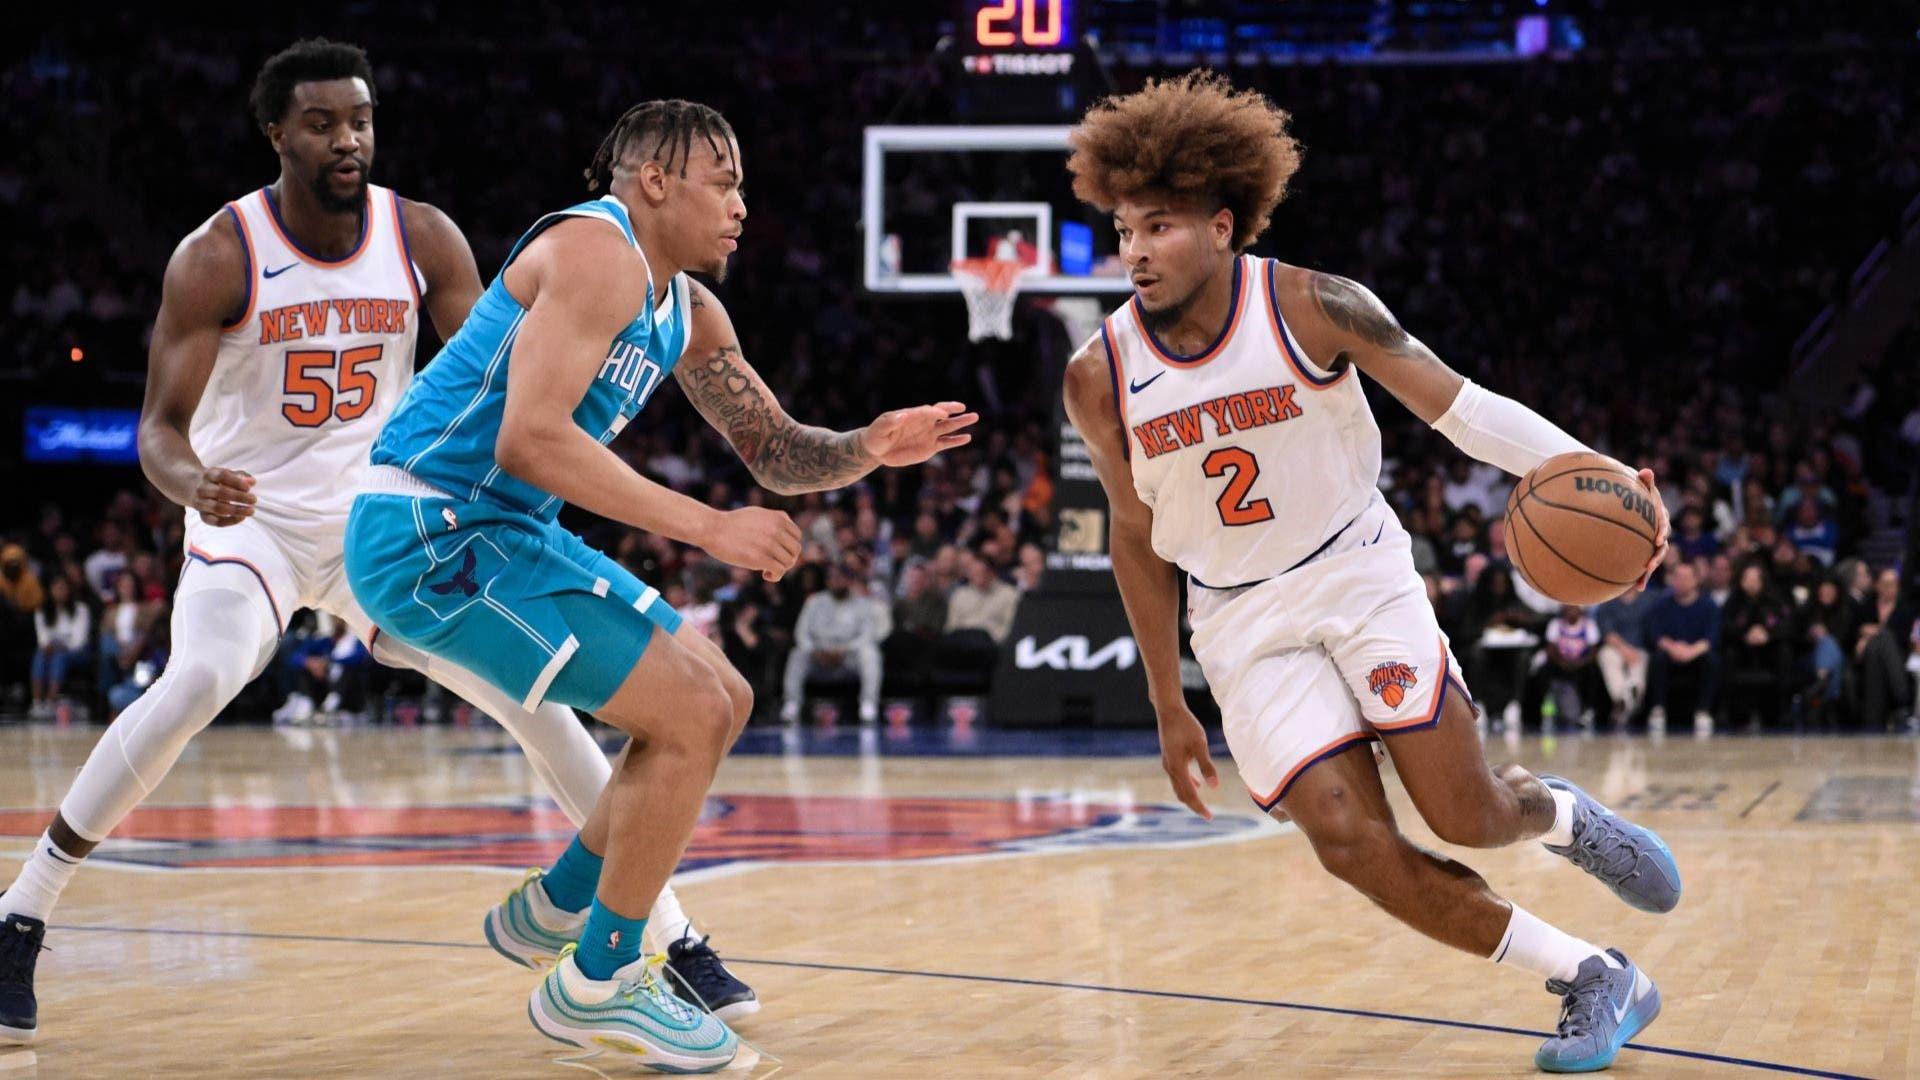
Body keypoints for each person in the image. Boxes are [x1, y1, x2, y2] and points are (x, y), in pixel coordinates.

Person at [0, 42, 748, 1047]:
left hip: (384, 524)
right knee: (198, 680)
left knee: (539, 703)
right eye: (321, 123)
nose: (346, 138)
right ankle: (24, 910)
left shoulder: (423, 238)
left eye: (359, 120)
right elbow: (158, 431)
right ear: (277, 134)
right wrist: (191, 486)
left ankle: (667, 935)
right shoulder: (219, 253)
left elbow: (493, 380)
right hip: (252, 519)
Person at [1059, 72, 1676, 1072]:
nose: (1134, 251)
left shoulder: (1314, 304)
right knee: (1349, 845)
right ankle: (1592, 975)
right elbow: (1134, 536)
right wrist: (1167, 701)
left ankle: (1559, 812)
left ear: (1223, 225)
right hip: (1235, 619)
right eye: (1124, 229)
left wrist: (1603, 479)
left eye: (1159, 226)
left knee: (1466, 815)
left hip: (1357, 574)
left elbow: (1465, 410)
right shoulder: (1098, 373)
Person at [344, 98, 972, 1061]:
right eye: (723, 183)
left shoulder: (688, 307)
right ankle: (597, 981)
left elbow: (775, 448)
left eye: (743, 187)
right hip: (431, 529)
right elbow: (531, 437)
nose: (740, 206)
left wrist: (868, 448)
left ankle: (557, 906)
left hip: (499, 530)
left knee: (721, 698)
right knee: (683, 710)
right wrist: (709, 527)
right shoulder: (597, 253)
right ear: (653, 182)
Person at [781, 563, 887, 724]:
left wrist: (843, 650)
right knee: (797, 654)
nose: (836, 582)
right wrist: (815, 650)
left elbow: (867, 635)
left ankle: (868, 705)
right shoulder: (814, 602)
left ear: (849, 581)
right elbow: (801, 633)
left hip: (848, 659)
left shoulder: (863, 604)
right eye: (832, 578)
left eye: (840, 578)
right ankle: (792, 705)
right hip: (819, 657)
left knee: (870, 654)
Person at [1644, 562, 1721, 732]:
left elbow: (1711, 638)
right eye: (1677, 577)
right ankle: (1658, 710)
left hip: (1696, 654)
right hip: (1670, 654)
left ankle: (1703, 711)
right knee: (1657, 659)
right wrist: (1673, 648)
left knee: (1712, 660)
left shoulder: (1709, 606)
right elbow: (1655, 635)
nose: (1680, 581)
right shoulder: (1661, 605)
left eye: (1686, 578)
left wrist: (1690, 651)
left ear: (1696, 580)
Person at [1719, 563, 1792, 729]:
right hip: (1742, 649)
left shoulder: (1775, 598)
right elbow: (1726, 626)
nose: (1750, 583)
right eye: (1746, 578)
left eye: (1754, 579)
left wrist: (1768, 634)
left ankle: (1783, 709)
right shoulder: (1734, 599)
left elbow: (1788, 624)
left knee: (1784, 652)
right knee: (1728, 654)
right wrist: (1745, 634)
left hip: (1770, 649)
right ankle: (1727, 709)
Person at [1594, 581, 1660, 725]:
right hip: (1616, 648)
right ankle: (1623, 697)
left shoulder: (1650, 599)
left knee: (1640, 662)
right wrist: (1624, 650)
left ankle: (1625, 702)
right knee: (1606, 655)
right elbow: (1607, 633)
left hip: (1640, 649)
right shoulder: (1607, 599)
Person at [30, 576, 91, 718]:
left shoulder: (81, 609)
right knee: (40, 654)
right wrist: (49, 646)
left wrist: (61, 646)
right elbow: (43, 639)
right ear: (50, 590)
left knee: (59, 657)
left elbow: (79, 641)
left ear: (69, 590)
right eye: (56, 588)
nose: (60, 592)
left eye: (63, 588)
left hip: (77, 653)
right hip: (51, 651)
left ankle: (51, 701)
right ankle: (37, 702)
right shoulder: (41, 610)